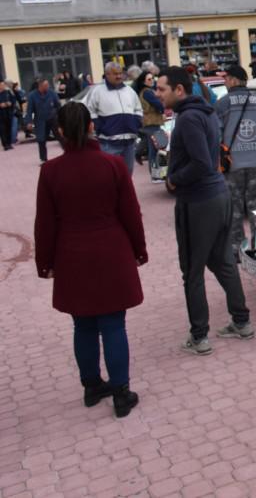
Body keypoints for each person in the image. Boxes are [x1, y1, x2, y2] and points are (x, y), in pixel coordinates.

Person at [34, 102, 147, 418]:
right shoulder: (112, 166)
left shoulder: (51, 171)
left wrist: (45, 263)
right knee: (113, 324)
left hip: (71, 256)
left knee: (82, 325)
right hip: (111, 251)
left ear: (59, 132)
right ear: (91, 127)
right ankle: (122, 393)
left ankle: (92, 386)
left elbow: (45, 223)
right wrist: (139, 250)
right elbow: (130, 214)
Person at [156, 67, 253, 355]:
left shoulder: (187, 118)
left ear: (179, 90)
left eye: (162, 89)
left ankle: (199, 337)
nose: (157, 94)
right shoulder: (206, 111)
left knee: (193, 271)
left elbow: (200, 163)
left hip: (198, 201)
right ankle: (242, 321)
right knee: (222, 261)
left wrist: (174, 178)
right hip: (218, 196)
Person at [215, 66, 256, 256]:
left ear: (234, 80)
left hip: (232, 166)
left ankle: (236, 250)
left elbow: (215, 136)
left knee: (233, 209)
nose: (225, 82)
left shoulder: (222, 104)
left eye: (226, 79)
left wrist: (225, 155)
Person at [84, 62, 144, 174]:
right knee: (109, 174)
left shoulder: (129, 91)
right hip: (108, 144)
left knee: (127, 175)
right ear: (107, 74)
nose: (119, 76)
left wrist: (135, 124)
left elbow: (138, 109)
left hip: (129, 144)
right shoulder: (97, 92)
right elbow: (90, 111)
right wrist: (100, 128)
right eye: (115, 74)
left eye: (120, 73)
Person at [133, 70, 164, 177]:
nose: (152, 81)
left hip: (149, 123)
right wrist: (163, 108)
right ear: (143, 81)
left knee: (151, 145)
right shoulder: (147, 92)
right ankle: (155, 174)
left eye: (153, 78)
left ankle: (138, 154)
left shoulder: (144, 91)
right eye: (149, 79)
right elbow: (158, 104)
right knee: (156, 148)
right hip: (152, 124)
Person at [26, 79, 62, 164]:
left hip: (53, 119)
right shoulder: (32, 96)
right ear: (40, 86)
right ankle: (43, 159)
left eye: (48, 85)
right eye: (46, 85)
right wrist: (29, 122)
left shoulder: (52, 93)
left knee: (61, 137)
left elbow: (58, 105)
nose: (48, 87)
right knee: (41, 140)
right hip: (40, 120)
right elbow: (29, 110)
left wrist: (60, 116)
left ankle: (69, 153)